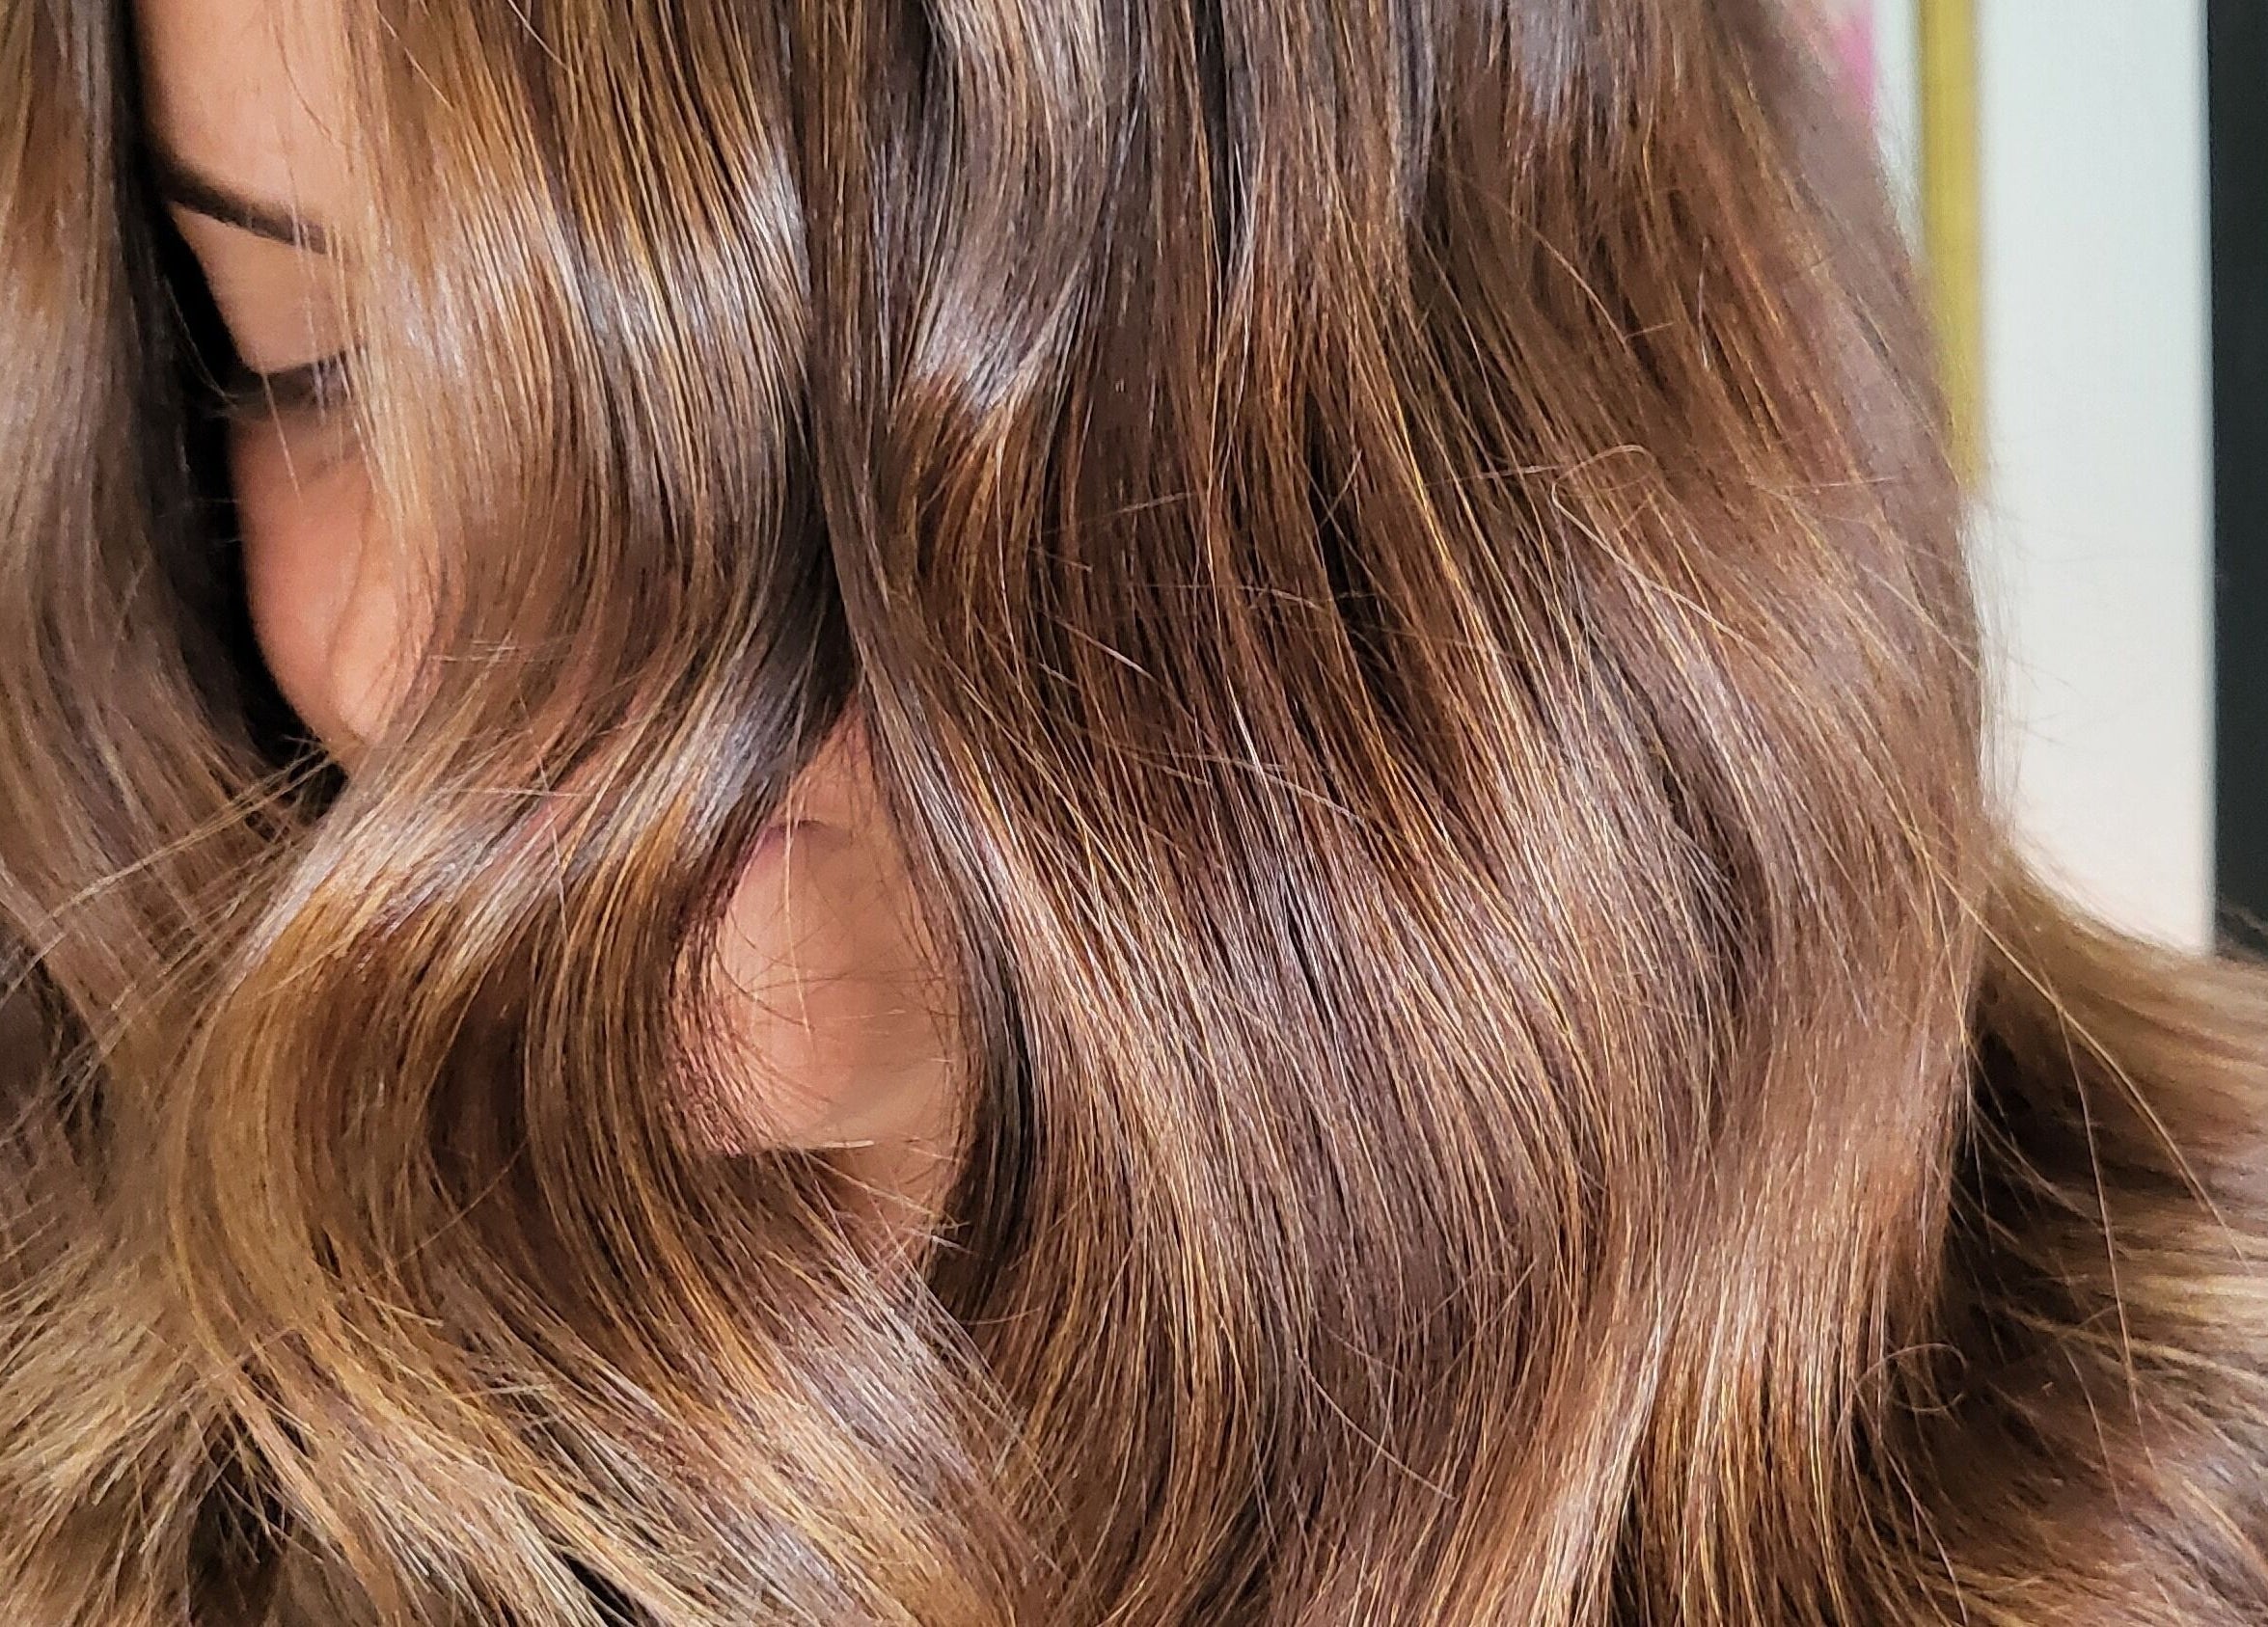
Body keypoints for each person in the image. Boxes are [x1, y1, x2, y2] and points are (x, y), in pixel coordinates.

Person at [5, 0, 2266, 1620]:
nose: (419, 650)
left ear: (1430, 335)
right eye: (302, 356)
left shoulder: (2177, 1425)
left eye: (732, 389)